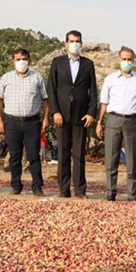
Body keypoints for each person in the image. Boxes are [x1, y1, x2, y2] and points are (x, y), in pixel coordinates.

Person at [46, 30, 97, 198]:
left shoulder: (88, 64)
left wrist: (91, 113)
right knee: (62, 153)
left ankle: (80, 190)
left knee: (79, 155)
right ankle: (64, 189)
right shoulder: (57, 63)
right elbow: (51, 89)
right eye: (72, 41)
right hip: (62, 115)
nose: (75, 44)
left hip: (81, 116)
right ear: (66, 44)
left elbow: (93, 91)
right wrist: (55, 112)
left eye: (78, 41)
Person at [96, 47, 136, 201]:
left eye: (130, 59)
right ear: (119, 60)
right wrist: (100, 122)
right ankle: (110, 191)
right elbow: (104, 102)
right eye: (124, 59)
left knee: (133, 159)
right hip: (113, 119)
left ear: (133, 61)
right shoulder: (110, 79)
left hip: (133, 121)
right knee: (111, 157)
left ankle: (132, 194)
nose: (127, 62)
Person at [0, 48, 49, 196]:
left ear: (29, 60)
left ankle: (37, 186)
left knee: (33, 156)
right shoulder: (6, 78)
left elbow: (46, 100)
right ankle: (16, 185)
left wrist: (45, 119)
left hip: (32, 122)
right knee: (14, 155)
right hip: (11, 121)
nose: (21, 62)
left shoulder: (37, 78)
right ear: (13, 61)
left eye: (24, 59)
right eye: (18, 59)